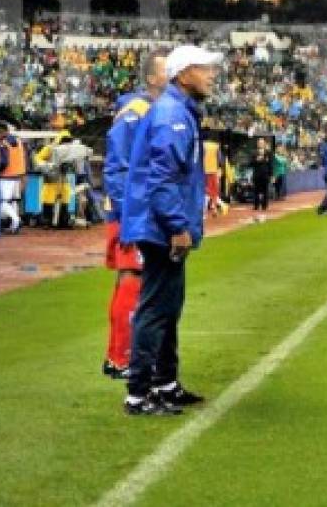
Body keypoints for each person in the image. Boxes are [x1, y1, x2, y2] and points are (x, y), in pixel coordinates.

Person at [120, 44, 222, 416]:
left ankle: (165, 383)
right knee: (155, 308)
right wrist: (178, 226)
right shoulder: (172, 115)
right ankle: (139, 392)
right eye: (204, 68)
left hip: (159, 221)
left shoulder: (179, 112)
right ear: (183, 74)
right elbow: (162, 178)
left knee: (168, 306)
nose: (211, 75)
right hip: (160, 224)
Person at [100, 50, 167, 380]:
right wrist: (132, 215)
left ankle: (116, 355)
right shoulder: (135, 111)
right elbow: (117, 167)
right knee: (134, 278)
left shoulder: (152, 110)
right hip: (131, 213)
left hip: (136, 211)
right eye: (167, 69)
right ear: (152, 78)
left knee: (130, 279)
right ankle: (123, 356)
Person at [0, 121, 27, 234]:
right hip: (18, 175)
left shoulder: (3, 144)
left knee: (4, 202)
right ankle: (13, 225)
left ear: (2, 131)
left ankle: (16, 220)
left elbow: (4, 162)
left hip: (6, 176)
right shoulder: (18, 141)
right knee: (13, 201)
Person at [203, 135, 223, 215]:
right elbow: (220, 159)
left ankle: (204, 210)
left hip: (204, 170)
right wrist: (220, 168)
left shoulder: (203, 145)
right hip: (213, 170)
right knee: (214, 191)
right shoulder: (216, 146)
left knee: (206, 190)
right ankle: (213, 206)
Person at [251, 138, 273, 211]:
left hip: (265, 175)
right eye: (259, 143)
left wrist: (271, 175)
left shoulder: (268, 152)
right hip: (256, 175)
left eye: (262, 143)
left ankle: (264, 206)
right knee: (256, 191)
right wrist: (256, 160)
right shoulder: (254, 152)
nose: (260, 144)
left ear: (264, 144)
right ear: (257, 144)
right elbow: (250, 164)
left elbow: (270, 164)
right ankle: (256, 206)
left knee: (265, 191)